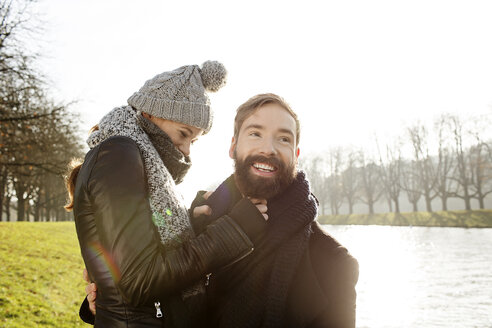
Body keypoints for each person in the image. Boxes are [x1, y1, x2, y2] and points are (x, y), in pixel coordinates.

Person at [83, 93, 359, 327]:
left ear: (296, 155)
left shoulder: (334, 264)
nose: (268, 148)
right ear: (233, 146)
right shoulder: (194, 220)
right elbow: (151, 284)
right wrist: (111, 302)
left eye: (284, 139)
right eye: (255, 133)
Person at [65, 61, 269, 327]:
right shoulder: (119, 155)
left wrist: (190, 224)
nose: (186, 151)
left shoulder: (130, 158)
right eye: (183, 134)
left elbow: (129, 264)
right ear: (150, 115)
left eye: (193, 141)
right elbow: (138, 281)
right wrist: (234, 230)